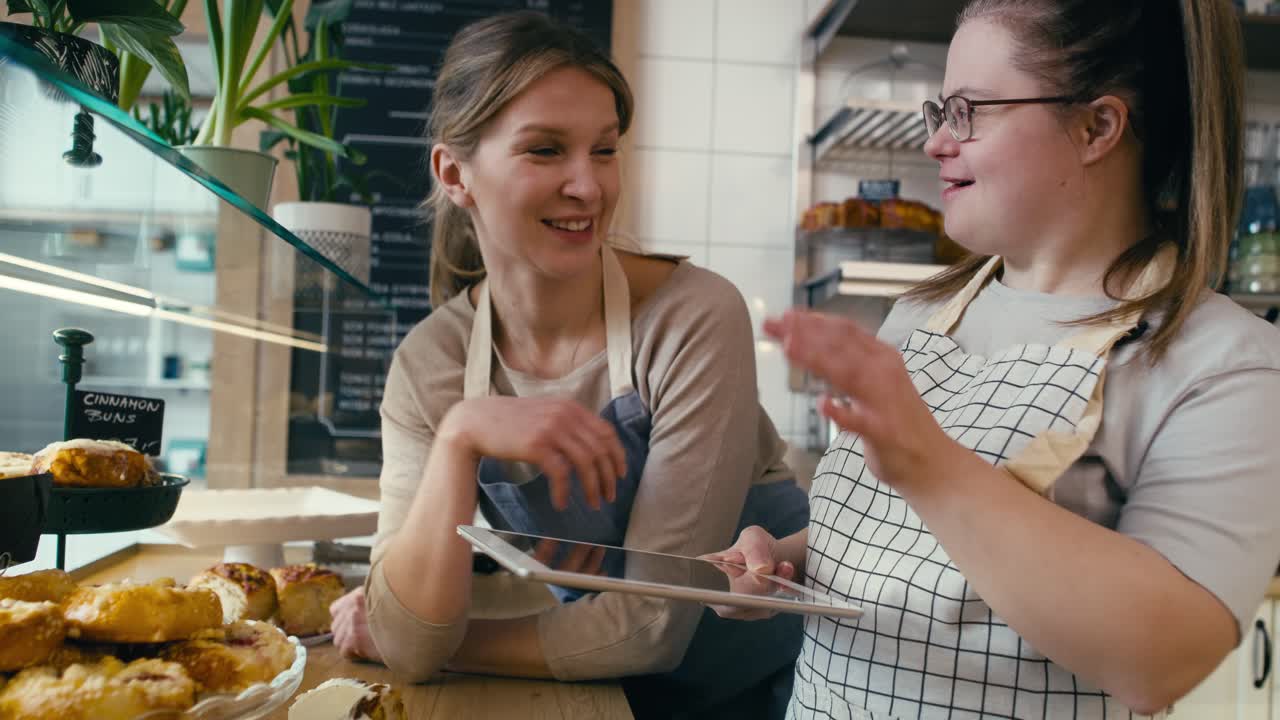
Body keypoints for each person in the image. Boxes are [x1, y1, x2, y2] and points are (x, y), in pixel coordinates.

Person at [709, 1, 1280, 718]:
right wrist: (781, 561)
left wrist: (930, 463)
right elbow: (887, 545)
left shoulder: (1224, 364)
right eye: (939, 111)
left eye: (970, 111)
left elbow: (1159, 660)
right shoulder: (920, 316)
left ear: (1097, 126)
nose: (938, 143)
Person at [327, 11, 809, 719]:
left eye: (605, 149)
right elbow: (404, 630)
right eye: (546, 150)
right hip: (592, 693)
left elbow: (648, 628)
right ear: (454, 172)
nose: (589, 187)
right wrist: (460, 437)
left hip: (765, 696)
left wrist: (439, 643)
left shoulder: (693, 317)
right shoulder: (431, 365)